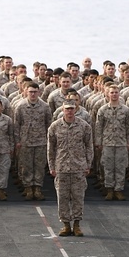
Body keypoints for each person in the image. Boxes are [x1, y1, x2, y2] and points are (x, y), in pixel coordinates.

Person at [48, 100, 94, 236]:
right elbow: (51, 149)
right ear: (62, 110)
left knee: (78, 197)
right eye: (67, 109)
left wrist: (88, 164)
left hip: (78, 167)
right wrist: (51, 166)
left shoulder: (84, 126)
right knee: (62, 197)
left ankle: (77, 224)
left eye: (72, 109)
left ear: (76, 109)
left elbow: (89, 146)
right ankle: (66, 224)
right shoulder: (55, 127)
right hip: (61, 167)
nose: (69, 111)